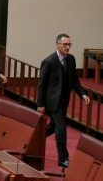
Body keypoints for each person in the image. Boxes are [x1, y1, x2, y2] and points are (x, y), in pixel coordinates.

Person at [37, 34, 90, 168]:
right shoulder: (48, 61)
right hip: (53, 101)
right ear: (57, 44)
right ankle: (63, 159)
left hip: (64, 99)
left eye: (69, 45)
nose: (67, 47)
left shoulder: (71, 59)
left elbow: (74, 80)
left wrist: (82, 94)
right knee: (61, 128)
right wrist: (40, 104)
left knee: (54, 126)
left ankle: (34, 138)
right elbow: (41, 85)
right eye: (65, 44)